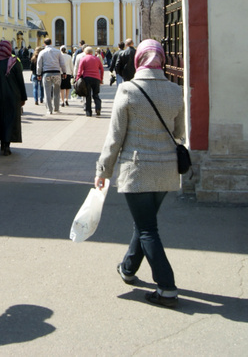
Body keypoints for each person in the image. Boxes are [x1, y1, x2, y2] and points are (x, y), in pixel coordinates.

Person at [94, 40, 185, 309]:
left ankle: (167, 287)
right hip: (167, 170)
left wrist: (103, 171)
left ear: (139, 60)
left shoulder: (127, 89)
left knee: (147, 228)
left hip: (137, 170)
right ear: (162, 59)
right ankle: (128, 268)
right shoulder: (174, 90)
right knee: (145, 224)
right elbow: (179, 132)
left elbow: (115, 138)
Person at [0, 40, 27, 155]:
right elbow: (20, 81)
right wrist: (23, 97)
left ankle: (2, 143)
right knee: (10, 119)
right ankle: (7, 145)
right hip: (12, 97)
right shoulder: (14, 62)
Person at [35, 37, 67, 114]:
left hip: (47, 73)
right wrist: (64, 72)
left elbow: (39, 65)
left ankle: (49, 110)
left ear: (44, 43)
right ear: (51, 43)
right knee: (56, 91)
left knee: (47, 92)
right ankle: (56, 108)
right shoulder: (57, 52)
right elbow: (62, 63)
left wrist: (38, 74)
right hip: (56, 73)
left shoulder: (42, 52)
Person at [76, 45, 104, 116]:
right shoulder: (96, 59)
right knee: (96, 94)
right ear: (92, 52)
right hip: (96, 78)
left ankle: (88, 112)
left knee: (88, 95)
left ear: (85, 52)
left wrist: (77, 78)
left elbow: (80, 70)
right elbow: (102, 69)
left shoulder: (83, 59)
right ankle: (98, 108)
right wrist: (101, 78)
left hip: (87, 79)